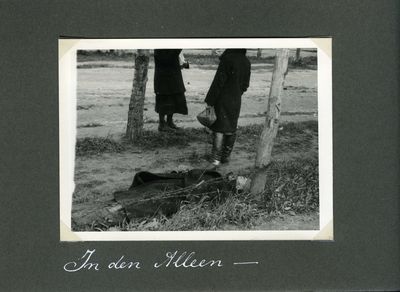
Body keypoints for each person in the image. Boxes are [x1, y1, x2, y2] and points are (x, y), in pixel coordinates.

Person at [204, 49, 251, 166]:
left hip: (222, 99)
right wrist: (237, 93)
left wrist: (210, 100)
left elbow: (218, 82)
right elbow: (246, 85)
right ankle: (226, 157)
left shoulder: (227, 59)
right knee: (231, 127)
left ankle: (215, 159)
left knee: (219, 128)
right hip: (236, 99)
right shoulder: (246, 61)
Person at [154, 49, 188, 131]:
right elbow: (166, 59)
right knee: (164, 100)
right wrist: (177, 50)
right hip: (163, 77)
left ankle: (170, 122)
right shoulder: (160, 47)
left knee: (173, 98)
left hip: (173, 76)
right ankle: (162, 124)